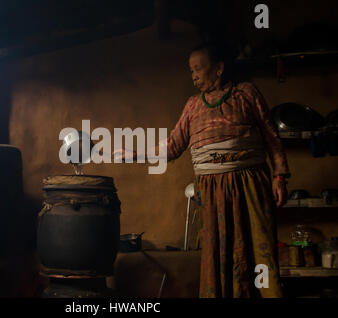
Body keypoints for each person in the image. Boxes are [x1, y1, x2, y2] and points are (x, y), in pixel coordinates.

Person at [115, 43, 289, 298]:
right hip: (211, 191)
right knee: (217, 253)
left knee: (259, 251)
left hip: (250, 185)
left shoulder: (246, 93)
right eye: (191, 70)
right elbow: (173, 146)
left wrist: (280, 176)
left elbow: (271, 135)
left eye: (198, 68)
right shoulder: (192, 106)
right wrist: (134, 154)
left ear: (218, 69)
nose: (194, 75)